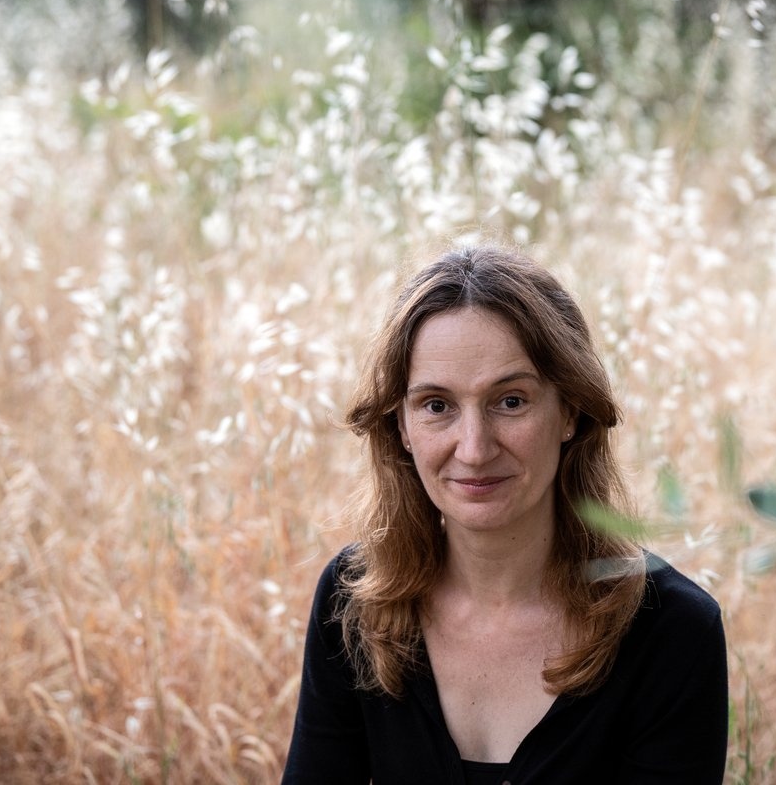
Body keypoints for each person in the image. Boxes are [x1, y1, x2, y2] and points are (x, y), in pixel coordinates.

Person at [282, 245, 728, 784]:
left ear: (569, 410)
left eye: (510, 400)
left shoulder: (673, 631)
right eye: (437, 405)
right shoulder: (354, 600)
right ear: (400, 425)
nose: (473, 448)